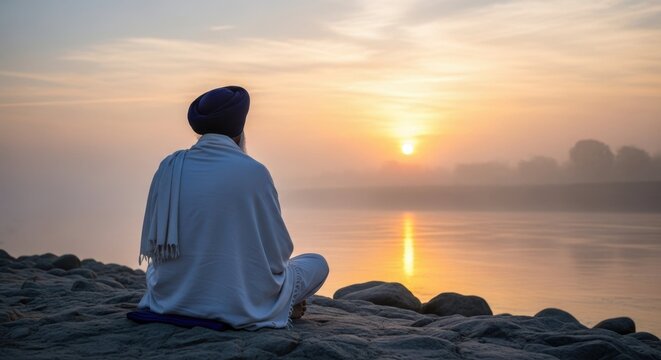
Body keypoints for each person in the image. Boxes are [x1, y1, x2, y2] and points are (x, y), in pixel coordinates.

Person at [137, 86, 329, 330]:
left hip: (172, 297)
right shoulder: (255, 172)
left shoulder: (169, 167)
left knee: (155, 270)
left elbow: (157, 250)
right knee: (317, 263)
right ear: (240, 132)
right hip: (236, 301)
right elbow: (279, 253)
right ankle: (284, 304)